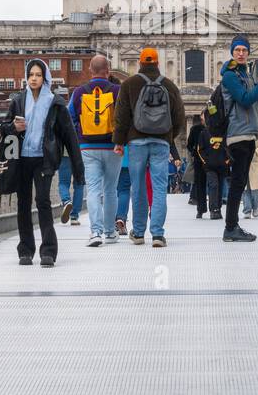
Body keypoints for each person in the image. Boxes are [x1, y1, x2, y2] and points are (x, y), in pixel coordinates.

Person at [0, 59, 84, 267]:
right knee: (22, 203)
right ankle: (25, 250)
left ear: (45, 77)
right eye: (31, 75)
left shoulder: (55, 103)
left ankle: (48, 251)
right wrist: (14, 128)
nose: (34, 78)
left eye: (38, 75)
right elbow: (4, 127)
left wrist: (78, 169)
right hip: (21, 160)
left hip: (44, 159)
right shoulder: (18, 100)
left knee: (43, 202)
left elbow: (69, 136)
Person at [113, 47, 185, 247]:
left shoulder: (129, 84)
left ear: (140, 63)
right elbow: (180, 117)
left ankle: (138, 233)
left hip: (136, 142)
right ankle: (158, 235)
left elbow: (121, 116)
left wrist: (119, 141)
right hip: (161, 141)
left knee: (138, 187)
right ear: (158, 63)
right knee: (160, 187)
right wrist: (169, 137)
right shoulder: (169, 85)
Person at [218, 35, 258, 242]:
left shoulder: (247, 75)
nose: (241, 53)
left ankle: (232, 226)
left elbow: (257, 104)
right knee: (237, 182)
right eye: (237, 50)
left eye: (244, 50)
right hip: (238, 133)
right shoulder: (231, 76)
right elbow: (244, 100)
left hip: (248, 132)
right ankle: (230, 227)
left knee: (240, 181)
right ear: (232, 52)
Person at [68, 55, 122, 247]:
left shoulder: (78, 92)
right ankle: (109, 232)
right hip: (113, 147)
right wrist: (121, 141)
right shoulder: (118, 90)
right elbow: (124, 119)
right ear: (108, 71)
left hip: (87, 147)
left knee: (93, 190)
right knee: (110, 190)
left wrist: (80, 136)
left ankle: (95, 232)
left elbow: (70, 118)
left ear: (90, 71)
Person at [57, 153, 85, 226]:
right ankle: (74, 217)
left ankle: (66, 201)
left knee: (63, 182)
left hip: (65, 154)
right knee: (79, 184)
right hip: (80, 154)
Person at [242, 129, 258, 218]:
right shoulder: (241, 130)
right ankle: (247, 210)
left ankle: (255, 207)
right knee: (245, 188)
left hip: (255, 162)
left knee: (257, 189)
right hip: (243, 161)